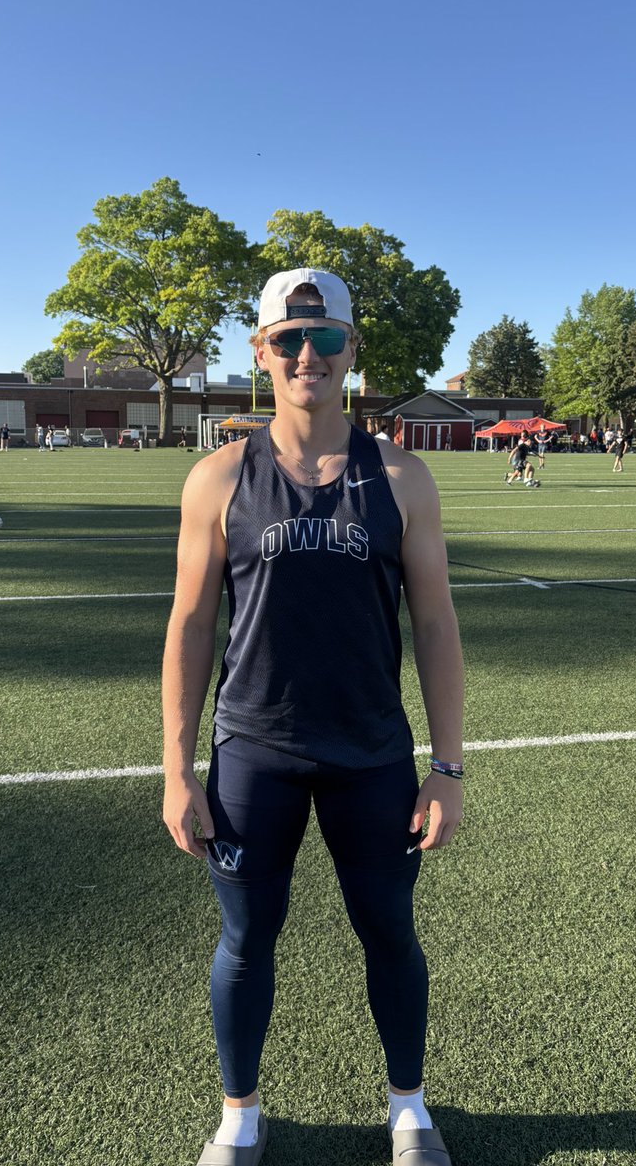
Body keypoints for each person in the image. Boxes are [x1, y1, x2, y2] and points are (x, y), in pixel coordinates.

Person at [162, 268, 464, 1166]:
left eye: (324, 337)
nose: (307, 355)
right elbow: (190, 626)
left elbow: (437, 624)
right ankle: (240, 1115)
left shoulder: (402, 477)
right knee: (246, 940)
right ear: (261, 353)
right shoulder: (218, 478)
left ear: (351, 350)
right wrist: (177, 769)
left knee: (389, 933)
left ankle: (408, 1108)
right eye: (288, 340)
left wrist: (447, 768)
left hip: (371, 755)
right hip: (254, 751)